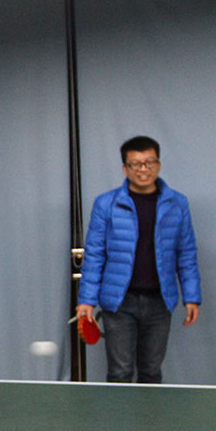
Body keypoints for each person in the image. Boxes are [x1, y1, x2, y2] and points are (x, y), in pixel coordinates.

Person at [76, 136, 202, 383]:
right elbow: (94, 255)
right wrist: (87, 300)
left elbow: (186, 253)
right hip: (119, 303)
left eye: (149, 162)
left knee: (151, 372)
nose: (143, 169)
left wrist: (192, 297)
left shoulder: (177, 203)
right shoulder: (106, 204)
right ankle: (119, 412)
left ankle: (149, 412)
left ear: (158, 165)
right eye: (135, 164)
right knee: (120, 372)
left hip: (160, 301)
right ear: (125, 168)